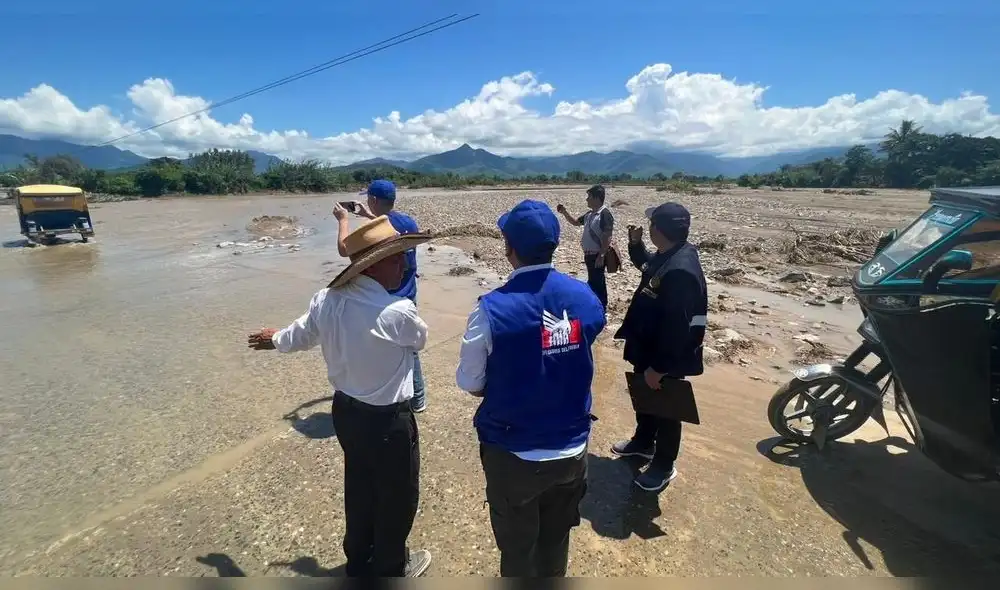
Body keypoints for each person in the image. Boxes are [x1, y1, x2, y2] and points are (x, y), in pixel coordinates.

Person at [248, 211, 434, 578]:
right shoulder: (397, 311)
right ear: (372, 265)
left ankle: (359, 560)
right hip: (388, 421)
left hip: (347, 414)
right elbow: (420, 341)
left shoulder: (326, 299)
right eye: (396, 258)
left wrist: (275, 339)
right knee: (396, 497)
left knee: (359, 488)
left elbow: (300, 334)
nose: (404, 265)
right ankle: (391, 567)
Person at [455, 199, 606, 577]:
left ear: (509, 247)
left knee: (517, 549)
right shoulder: (585, 297)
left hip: (513, 452)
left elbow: (470, 382)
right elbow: (586, 335)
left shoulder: (490, 309)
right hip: (571, 448)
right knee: (556, 540)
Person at [610, 202, 707, 492]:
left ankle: (664, 464)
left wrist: (660, 367)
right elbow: (647, 265)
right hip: (649, 346)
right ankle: (643, 442)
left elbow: (678, 327)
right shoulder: (669, 255)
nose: (649, 228)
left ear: (659, 229)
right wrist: (635, 244)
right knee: (645, 397)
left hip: (666, 355)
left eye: (651, 224)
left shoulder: (680, 269)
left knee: (667, 409)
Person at [339, 179, 428, 413]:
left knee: (381, 348)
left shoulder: (377, 228)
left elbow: (345, 250)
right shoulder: (408, 222)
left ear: (373, 199)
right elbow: (390, 231)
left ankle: (383, 394)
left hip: (386, 298)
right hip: (409, 294)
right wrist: (368, 216)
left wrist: (343, 220)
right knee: (410, 349)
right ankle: (418, 399)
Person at [556, 184, 614, 311]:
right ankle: (595, 305)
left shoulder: (604, 214)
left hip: (597, 255)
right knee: (593, 280)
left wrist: (601, 255)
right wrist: (564, 212)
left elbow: (607, 236)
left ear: (597, 198)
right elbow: (575, 222)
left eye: (589, 197)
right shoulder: (589, 214)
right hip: (589, 255)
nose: (587, 199)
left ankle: (602, 307)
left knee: (598, 281)